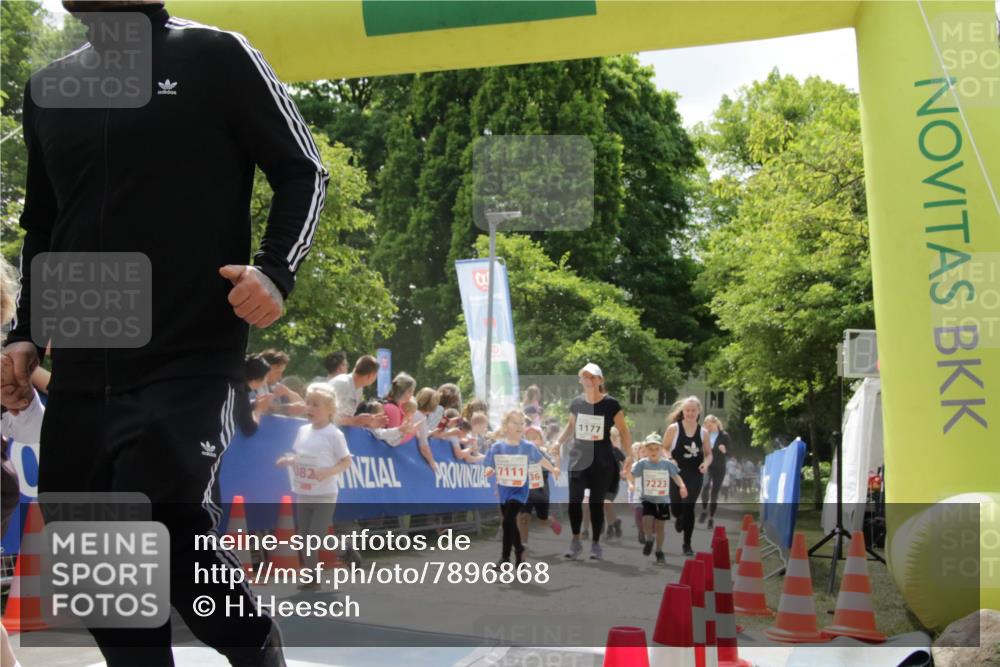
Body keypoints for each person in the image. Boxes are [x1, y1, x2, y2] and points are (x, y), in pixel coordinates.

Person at [0, 2, 330, 663]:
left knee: (167, 517)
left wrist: (274, 272)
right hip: (84, 370)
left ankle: (256, 650)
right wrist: (26, 330)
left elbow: (304, 169)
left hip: (188, 352)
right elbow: (44, 224)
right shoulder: (48, 88)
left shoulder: (216, 56)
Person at [275, 384, 351, 590]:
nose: (310, 408)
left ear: (330, 410)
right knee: (303, 537)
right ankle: (312, 576)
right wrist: (289, 460)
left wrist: (327, 472)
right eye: (308, 403)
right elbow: (301, 456)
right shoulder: (302, 430)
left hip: (325, 494)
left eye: (316, 405)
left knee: (314, 536)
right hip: (304, 492)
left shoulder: (334, 434)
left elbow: (346, 461)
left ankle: (344, 551)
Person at [555, 363, 632, 561]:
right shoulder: (577, 403)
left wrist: (629, 454)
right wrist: (558, 442)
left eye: (592, 377)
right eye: (584, 377)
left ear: (600, 380)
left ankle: (596, 543)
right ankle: (575, 540)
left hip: (602, 461)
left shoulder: (611, 404)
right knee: (574, 501)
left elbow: (623, 431)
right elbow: (570, 426)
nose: (588, 381)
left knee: (596, 504)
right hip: (579, 458)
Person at [483, 411, 559, 566]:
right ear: (505, 426)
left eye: (521, 423)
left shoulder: (527, 447)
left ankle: (504, 559)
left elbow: (541, 460)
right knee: (510, 523)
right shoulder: (497, 447)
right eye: (515, 423)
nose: (519, 426)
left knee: (508, 521)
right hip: (504, 491)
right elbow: (490, 466)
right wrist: (489, 471)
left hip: (520, 491)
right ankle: (519, 550)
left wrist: (553, 469)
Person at [665, 396, 713, 556]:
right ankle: (679, 517)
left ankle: (687, 544)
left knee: (689, 506)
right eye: (687, 410)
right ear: (683, 411)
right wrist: (670, 459)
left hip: (695, 473)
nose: (690, 413)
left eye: (693, 410)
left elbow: (708, 454)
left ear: (699, 412)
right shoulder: (674, 428)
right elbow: (664, 448)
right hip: (676, 472)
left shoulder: (703, 432)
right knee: (676, 509)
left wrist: (705, 464)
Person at [631, 433, 687, 564]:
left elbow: (676, 476)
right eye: (650, 449)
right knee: (646, 522)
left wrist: (682, 486)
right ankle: (649, 538)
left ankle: (659, 551)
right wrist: (634, 467)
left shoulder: (667, 464)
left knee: (661, 527)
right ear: (645, 450)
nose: (654, 452)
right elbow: (634, 474)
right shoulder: (643, 463)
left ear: (662, 450)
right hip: (648, 499)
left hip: (662, 500)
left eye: (657, 449)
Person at [517, 424, 563, 551]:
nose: (531, 441)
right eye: (528, 438)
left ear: (541, 440)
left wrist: (556, 464)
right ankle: (523, 544)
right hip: (525, 492)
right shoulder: (520, 453)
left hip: (540, 492)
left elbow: (554, 467)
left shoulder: (543, 454)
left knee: (542, 520)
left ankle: (550, 521)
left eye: (535, 437)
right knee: (524, 518)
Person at [329, 356, 386, 428]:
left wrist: (369, 421)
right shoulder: (342, 383)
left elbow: (348, 416)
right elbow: (327, 415)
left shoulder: (359, 389)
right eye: (376, 375)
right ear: (370, 375)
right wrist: (354, 420)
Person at [699, 415, 731, 528]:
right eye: (706, 426)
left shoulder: (724, 436)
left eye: (710, 425)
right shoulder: (704, 436)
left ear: (716, 423)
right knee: (705, 486)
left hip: (719, 467)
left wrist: (724, 450)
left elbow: (729, 452)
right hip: (708, 465)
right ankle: (703, 511)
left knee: (714, 493)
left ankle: (711, 518)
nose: (708, 428)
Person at [239, 355, 275, 437]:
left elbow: (241, 409)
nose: (267, 380)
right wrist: (259, 409)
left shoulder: (235, 388)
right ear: (258, 379)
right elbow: (249, 429)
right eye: (266, 376)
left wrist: (254, 404)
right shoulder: (241, 393)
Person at [411, 388, 441, 473]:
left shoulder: (411, 412)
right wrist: (432, 462)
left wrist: (430, 433)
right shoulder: (421, 418)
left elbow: (417, 433)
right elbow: (423, 446)